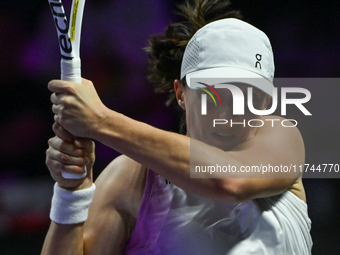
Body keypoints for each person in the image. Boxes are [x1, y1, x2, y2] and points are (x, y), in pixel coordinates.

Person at [42, 0, 312, 254]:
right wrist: (72, 192)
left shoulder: (282, 137)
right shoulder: (130, 178)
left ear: (266, 102)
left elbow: (231, 180)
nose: (229, 113)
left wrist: (100, 120)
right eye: (213, 94)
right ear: (181, 93)